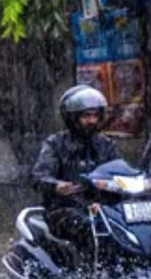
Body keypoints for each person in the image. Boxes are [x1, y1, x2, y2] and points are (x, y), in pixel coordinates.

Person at [31, 85, 120, 265]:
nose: (92, 121)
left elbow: (121, 173)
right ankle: (88, 274)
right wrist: (56, 185)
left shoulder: (106, 145)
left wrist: (147, 182)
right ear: (72, 118)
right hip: (64, 209)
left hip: (103, 208)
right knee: (88, 226)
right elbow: (39, 176)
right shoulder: (56, 143)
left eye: (95, 116)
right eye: (86, 116)